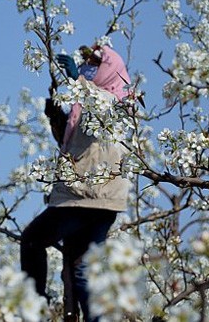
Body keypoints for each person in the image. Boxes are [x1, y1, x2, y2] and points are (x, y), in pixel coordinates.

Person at [20, 44, 132, 321]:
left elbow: (99, 104)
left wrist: (76, 80)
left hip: (85, 196)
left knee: (33, 240)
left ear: (109, 69)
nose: (87, 69)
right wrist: (56, 116)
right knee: (82, 270)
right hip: (104, 202)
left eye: (95, 64)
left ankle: (34, 304)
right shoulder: (90, 105)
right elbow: (76, 143)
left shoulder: (114, 100)